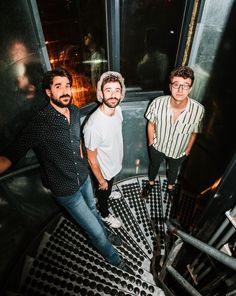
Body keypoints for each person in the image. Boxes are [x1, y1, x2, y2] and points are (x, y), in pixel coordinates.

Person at [0, 67, 133, 273]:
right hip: (66, 189)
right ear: (48, 92)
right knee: (94, 232)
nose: (65, 91)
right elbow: (13, 153)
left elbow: (76, 143)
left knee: (94, 211)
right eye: (58, 86)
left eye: (68, 86)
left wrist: (82, 161)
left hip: (84, 178)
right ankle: (115, 260)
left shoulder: (74, 110)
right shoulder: (40, 122)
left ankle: (106, 234)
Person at [142, 65, 205, 198]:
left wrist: (187, 149)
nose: (180, 90)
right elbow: (150, 124)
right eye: (176, 84)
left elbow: (195, 132)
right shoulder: (157, 103)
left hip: (179, 151)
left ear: (190, 88)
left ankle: (170, 187)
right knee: (154, 166)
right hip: (157, 147)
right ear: (170, 86)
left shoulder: (198, 110)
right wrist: (151, 143)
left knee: (174, 170)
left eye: (185, 85)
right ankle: (151, 183)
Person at [83, 71, 124, 229]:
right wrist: (101, 181)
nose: (113, 95)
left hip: (114, 163)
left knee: (108, 187)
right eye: (108, 90)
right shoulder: (93, 126)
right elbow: (92, 160)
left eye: (117, 90)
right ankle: (104, 213)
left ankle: (106, 192)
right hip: (104, 170)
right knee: (103, 193)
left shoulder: (118, 110)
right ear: (101, 93)